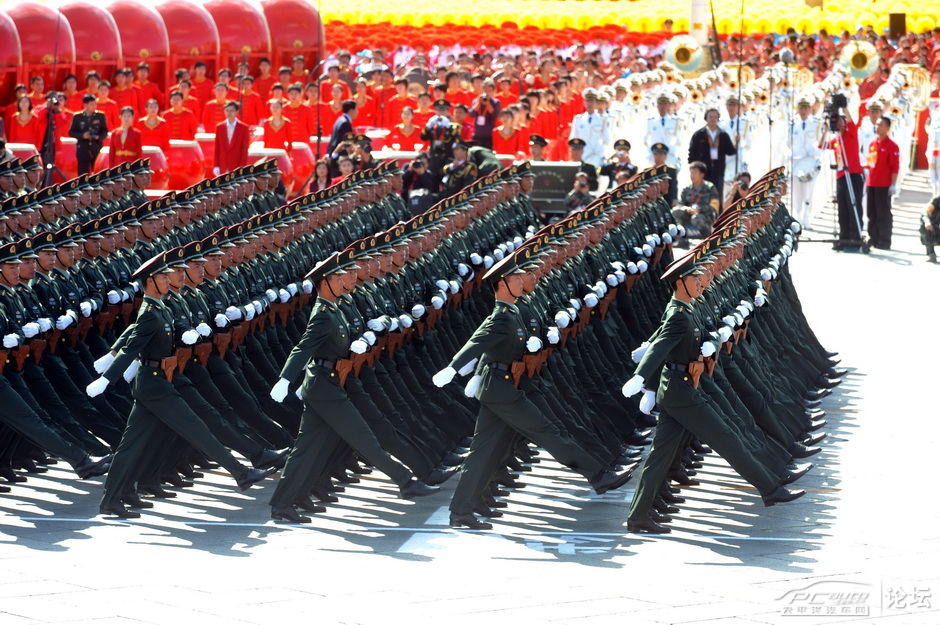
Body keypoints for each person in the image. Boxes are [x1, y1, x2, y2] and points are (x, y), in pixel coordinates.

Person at [432, 249, 635, 530]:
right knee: (547, 431)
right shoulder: (502, 315)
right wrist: (454, 368)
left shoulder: (514, 310)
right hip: (501, 390)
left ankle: (463, 511)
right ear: (502, 284)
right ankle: (597, 474)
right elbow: (478, 341)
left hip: (504, 387)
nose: (522, 281)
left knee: (485, 452)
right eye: (516, 279)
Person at [87, 250, 277, 519]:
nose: (170, 280)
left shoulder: (159, 307)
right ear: (151, 281)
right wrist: (107, 378)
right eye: (164, 277)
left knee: (132, 445)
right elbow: (132, 348)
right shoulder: (150, 312)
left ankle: (118, 495)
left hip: (157, 382)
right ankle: (241, 472)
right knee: (196, 428)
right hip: (154, 384)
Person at [267, 249, 439, 523]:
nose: (345, 280)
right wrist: (286, 379)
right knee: (363, 437)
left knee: (310, 448)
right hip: (325, 387)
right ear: (325, 282)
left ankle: (287, 502)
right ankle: (406, 482)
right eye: (339, 277)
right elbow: (303, 347)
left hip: (330, 383)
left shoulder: (336, 308)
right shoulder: (322, 314)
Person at [830, 102, 865, 251]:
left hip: (854, 174)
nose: (839, 123)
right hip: (841, 175)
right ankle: (844, 237)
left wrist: (843, 106)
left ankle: (855, 236)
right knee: (842, 206)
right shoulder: (836, 139)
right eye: (837, 121)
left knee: (853, 204)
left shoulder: (851, 132)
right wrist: (828, 124)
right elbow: (821, 144)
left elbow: (851, 121)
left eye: (841, 120)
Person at [688, 108, 736, 204]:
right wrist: (694, 170)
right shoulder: (699, 135)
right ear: (706, 118)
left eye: (715, 117)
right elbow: (692, 153)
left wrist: (736, 142)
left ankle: (717, 217)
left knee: (717, 197)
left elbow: (730, 151)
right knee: (702, 196)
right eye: (710, 116)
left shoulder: (723, 135)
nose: (713, 119)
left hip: (718, 172)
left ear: (718, 119)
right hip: (702, 172)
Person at [865, 116, 900, 250]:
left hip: (884, 185)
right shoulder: (873, 144)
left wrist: (893, 184)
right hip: (872, 183)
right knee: (871, 212)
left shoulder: (892, 146)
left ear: (887, 128)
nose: (877, 127)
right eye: (877, 124)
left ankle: (884, 240)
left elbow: (894, 167)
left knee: (883, 213)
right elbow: (871, 162)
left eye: (880, 125)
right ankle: (873, 238)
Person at [789, 98, 822, 228]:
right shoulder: (792, 124)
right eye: (801, 108)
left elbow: (820, 143)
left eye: (805, 108)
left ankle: (806, 217)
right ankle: (796, 216)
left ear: (809, 109)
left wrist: (815, 153)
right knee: (796, 191)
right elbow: (786, 143)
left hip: (810, 162)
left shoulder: (815, 124)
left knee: (809, 191)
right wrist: (789, 154)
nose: (803, 111)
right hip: (796, 161)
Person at [671, 161, 720, 246]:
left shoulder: (710, 187)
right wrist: (686, 208)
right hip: (689, 213)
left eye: (695, 173)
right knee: (675, 211)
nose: (692, 175)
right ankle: (682, 238)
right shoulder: (687, 188)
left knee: (696, 218)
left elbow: (714, 206)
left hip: (705, 216)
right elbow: (681, 203)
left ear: (702, 174)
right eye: (691, 173)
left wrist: (700, 209)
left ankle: (707, 239)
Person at [68, 94, 108, 175]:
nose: (94, 106)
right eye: (92, 104)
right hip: (83, 148)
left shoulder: (100, 116)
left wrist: (98, 137)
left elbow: (105, 131)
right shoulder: (77, 116)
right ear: (85, 105)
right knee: (83, 173)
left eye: (95, 104)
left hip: (96, 147)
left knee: (98, 172)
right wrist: (82, 135)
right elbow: (71, 132)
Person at [213, 102, 250, 175]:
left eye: (231, 111)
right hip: (223, 166)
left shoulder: (243, 128)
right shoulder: (220, 127)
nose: (229, 113)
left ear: (237, 112)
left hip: (236, 167)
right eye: (227, 110)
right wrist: (216, 165)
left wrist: (242, 167)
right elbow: (217, 148)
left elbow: (244, 150)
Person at [920, 195, 940, 262]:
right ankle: (931, 254)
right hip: (935, 229)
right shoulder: (936, 201)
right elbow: (925, 213)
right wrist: (927, 222)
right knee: (925, 227)